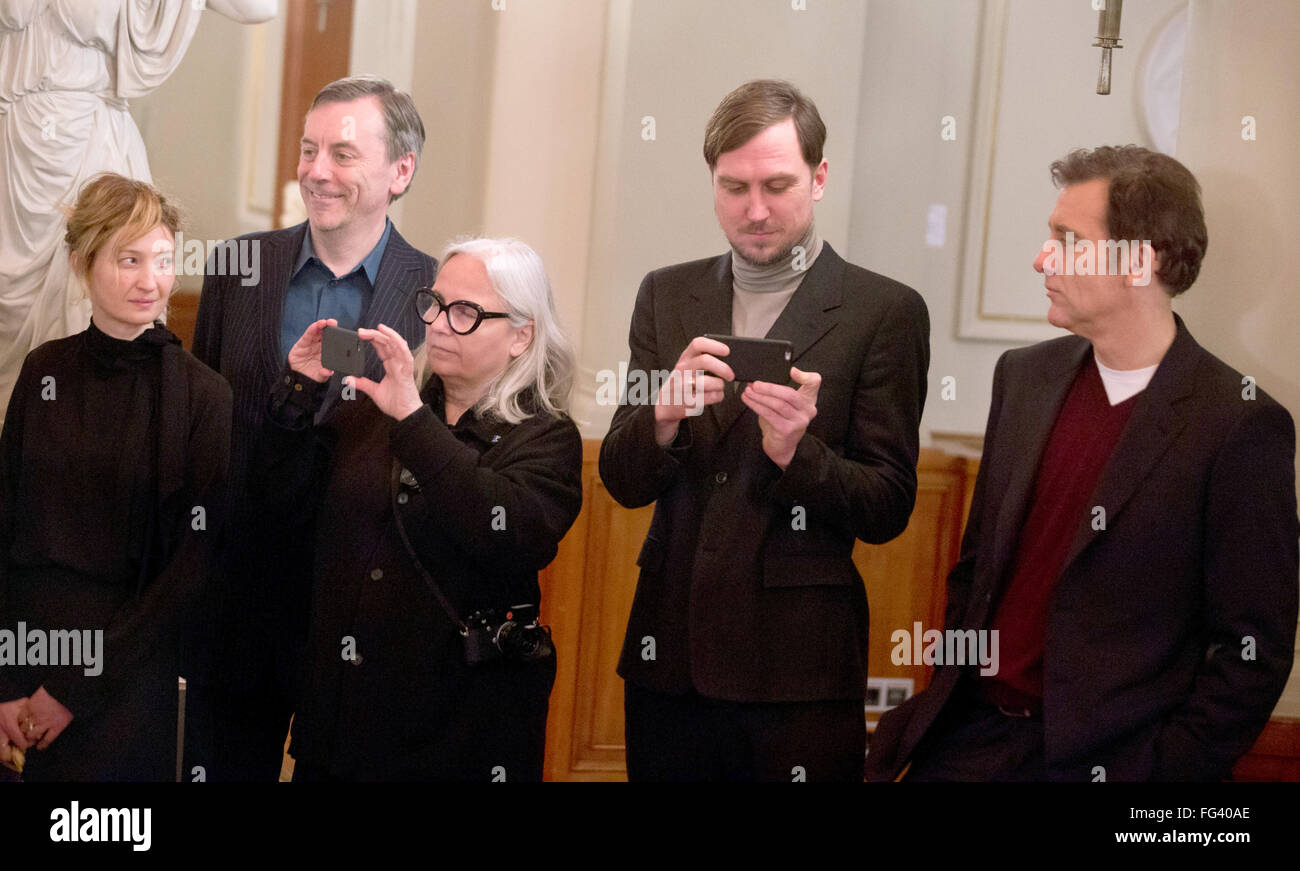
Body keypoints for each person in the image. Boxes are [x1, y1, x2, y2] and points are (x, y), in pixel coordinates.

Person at [866, 145, 1299, 782]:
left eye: (1068, 240)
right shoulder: (1025, 376)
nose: (1043, 258)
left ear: (1138, 262)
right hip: (968, 744)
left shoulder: (1238, 425)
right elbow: (977, 567)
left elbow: (1251, 652)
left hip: (1112, 764)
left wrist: (1160, 773)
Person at [598, 80, 930, 781]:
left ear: (819, 177)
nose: (755, 210)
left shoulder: (884, 311)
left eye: (777, 185)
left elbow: (888, 505)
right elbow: (622, 482)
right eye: (734, 187)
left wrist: (796, 454)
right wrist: (661, 414)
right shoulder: (666, 292)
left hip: (796, 672)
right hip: (669, 656)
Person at [183, 75, 438, 780]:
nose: (317, 171)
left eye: (344, 154)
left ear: (400, 171)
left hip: (362, 612)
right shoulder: (238, 268)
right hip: (239, 604)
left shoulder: (434, 294)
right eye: (308, 148)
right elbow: (201, 426)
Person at [256, 237, 581, 781]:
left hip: (458, 733)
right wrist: (299, 392)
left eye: (467, 313)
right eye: (435, 304)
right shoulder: (377, 404)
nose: (439, 325)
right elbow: (280, 504)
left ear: (521, 336)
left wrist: (412, 419)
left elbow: (502, 532)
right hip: (342, 723)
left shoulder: (545, 437)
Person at [0, 172, 231, 780]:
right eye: (129, 259)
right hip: (22, 654)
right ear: (83, 263)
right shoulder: (42, 371)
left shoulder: (203, 397)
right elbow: (4, 524)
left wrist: (72, 689)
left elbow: (189, 569)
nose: (151, 281)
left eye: (162, 260)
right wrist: (7, 681)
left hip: (128, 667)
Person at [0, 0, 275, 426]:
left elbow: (259, 8)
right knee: (17, 317)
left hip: (98, 136)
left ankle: (99, 449)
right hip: (24, 149)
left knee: (101, 292)